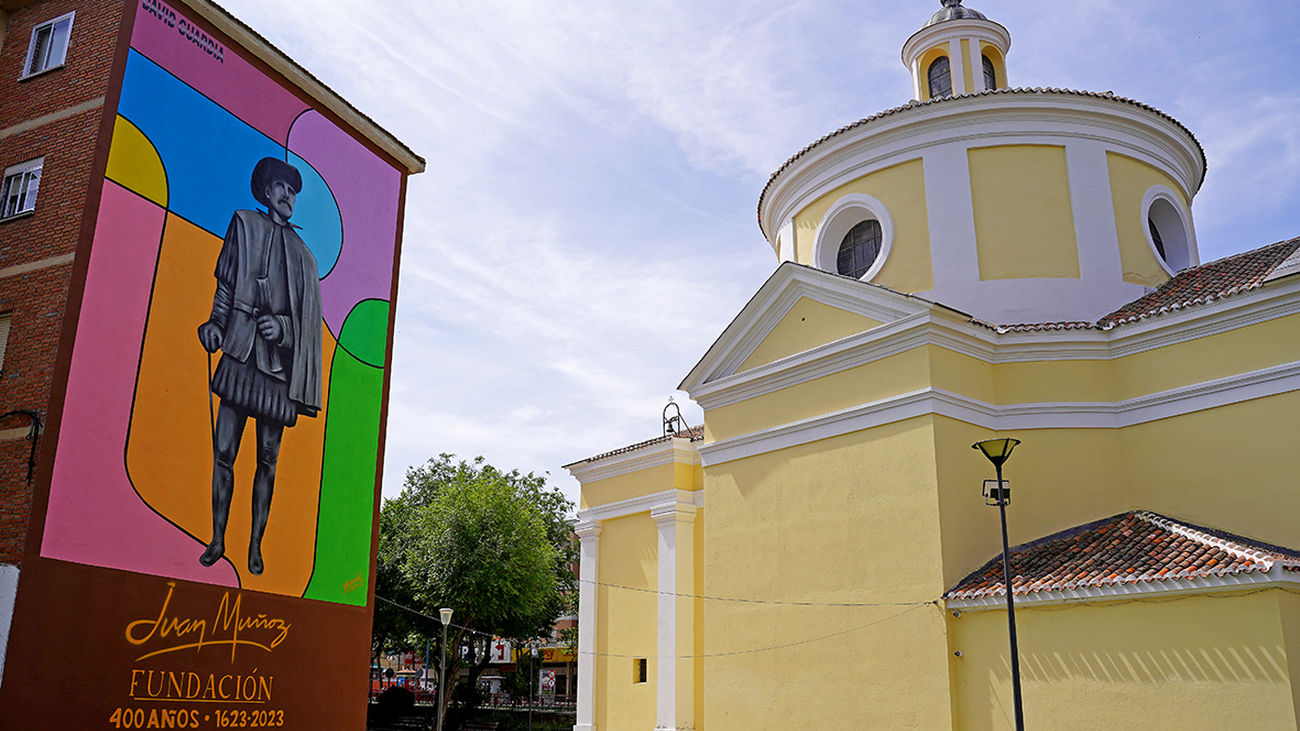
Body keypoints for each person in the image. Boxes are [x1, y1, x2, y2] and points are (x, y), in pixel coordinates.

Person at [196, 157, 323, 575]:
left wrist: (282, 327)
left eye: (293, 191)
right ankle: (217, 539)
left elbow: (305, 322)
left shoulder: (305, 257)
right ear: (267, 191)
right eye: (282, 188)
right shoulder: (244, 225)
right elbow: (226, 282)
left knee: (267, 460)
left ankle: (254, 546)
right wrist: (216, 324)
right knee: (224, 453)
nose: (289, 196)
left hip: (276, 373)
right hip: (238, 352)